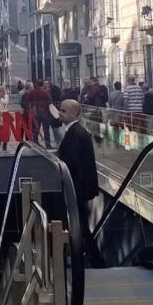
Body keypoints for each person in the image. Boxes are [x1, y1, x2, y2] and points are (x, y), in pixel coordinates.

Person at [56, 100, 100, 241]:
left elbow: (72, 163)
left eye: (64, 111)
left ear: (74, 114)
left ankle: (89, 252)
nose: (60, 113)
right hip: (79, 188)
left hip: (77, 188)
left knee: (81, 225)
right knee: (81, 224)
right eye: (60, 109)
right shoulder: (75, 131)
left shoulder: (75, 133)